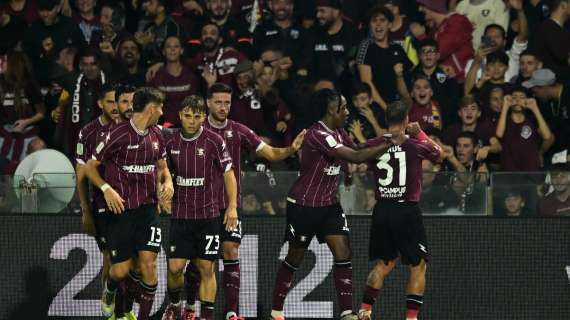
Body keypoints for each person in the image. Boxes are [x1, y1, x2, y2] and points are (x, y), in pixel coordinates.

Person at [183, 83, 306, 320]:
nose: (222, 106)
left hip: (230, 205)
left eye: (227, 102)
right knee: (199, 262)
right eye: (218, 102)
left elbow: (270, 153)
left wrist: (291, 148)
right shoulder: (195, 128)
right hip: (198, 205)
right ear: (208, 103)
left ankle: (232, 313)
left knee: (231, 251)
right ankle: (189, 306)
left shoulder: (239, 130)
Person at [269, 89, 394, 320]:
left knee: (343, 251)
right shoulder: (317, 134)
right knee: (295, 258)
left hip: (329, 206)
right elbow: (355, 158)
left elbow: (357, 149)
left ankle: (347, 312)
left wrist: (389, 137)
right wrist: (391, 143)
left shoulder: (338, 132)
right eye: (344, 107)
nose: (347, 112)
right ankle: (276, 311)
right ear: (331, 109)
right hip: (304, 205)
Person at [85, 87, 174, 320]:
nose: (163, 112)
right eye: (160, 108)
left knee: (149, 266)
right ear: (152, 109)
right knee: (120, 270)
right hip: (121, 210)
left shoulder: (157, 134)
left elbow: (163, 167)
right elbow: (90, 166)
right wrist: (106, 189)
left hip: (147, 209)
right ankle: (110, 290)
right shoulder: (117, 134)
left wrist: (169, 182)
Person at [357, 100, 443, 320]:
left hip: (382, 209)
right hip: (406, 210)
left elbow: (358, 159)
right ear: (406, 120)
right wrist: (421, 133)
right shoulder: (415, 144)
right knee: (418, 265)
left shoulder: (374, 143)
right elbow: (438, 155)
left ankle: (365, 309)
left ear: (386, 121)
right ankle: (411, 318)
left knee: (384, 264)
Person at [161, 95, 237, 320]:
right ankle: (175, 305)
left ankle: (206, 316)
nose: (191, 121)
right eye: (187, 116)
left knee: (206, 268)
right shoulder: (170, 141)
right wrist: (161, 192)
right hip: (180, 216)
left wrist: (232, 206)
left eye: (196, 116)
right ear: (180, 116)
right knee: (175, 268)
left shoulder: (214, 141)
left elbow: (229, 174)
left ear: (203, 117)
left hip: (208, 216)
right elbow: (161, 171)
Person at [74, 83, 121, 318]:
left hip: (132, 204)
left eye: (118, 101)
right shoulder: (88, 132)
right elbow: (81, 173)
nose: (115, 107)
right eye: (110, 101)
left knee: (130, 263)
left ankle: (125, 310)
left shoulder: (130, 128)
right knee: (110, 258)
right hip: (102, 205)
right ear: (100, 103)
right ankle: (110, 313)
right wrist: (85, 209)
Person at [357, 5, 412, 109]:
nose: (378, 24)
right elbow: (366, 82)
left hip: (398, 108)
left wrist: (407, 105)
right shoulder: (365, 47)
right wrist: (386, 109)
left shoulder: (397, 48)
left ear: (390, 25)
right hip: (376, 109)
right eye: (374, 21)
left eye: (382, 20)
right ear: (370, 25)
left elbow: (408, 78)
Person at [496, 87, 555, 171]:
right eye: (514, 97)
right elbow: (499, 134)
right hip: (509, 172)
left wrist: (535, 108)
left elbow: (547, 136)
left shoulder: (532, 120)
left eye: (522, 97)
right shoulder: (504, 119)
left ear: (527, 100)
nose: (517, 100)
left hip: (531, 171)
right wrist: (505, 106)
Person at [147, 35, 200, 127]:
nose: (172, 50)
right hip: (162, 128)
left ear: (181, 50)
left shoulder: (191, 75)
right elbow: (150, 106)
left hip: (188, 127)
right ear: (163, 51)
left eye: (176, 46)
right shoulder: (155, 76)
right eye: (168, 46)